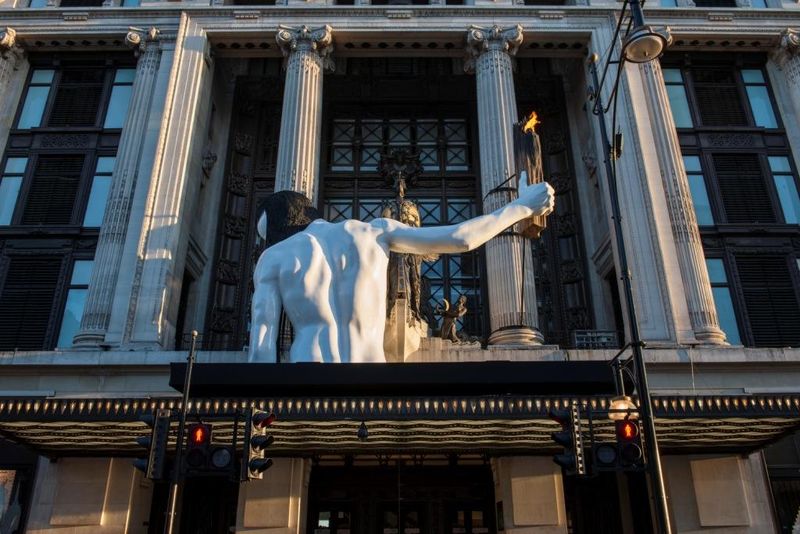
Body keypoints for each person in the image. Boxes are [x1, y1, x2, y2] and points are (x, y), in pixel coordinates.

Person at [249, 176, 555, 363]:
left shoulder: (273, 258)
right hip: (369, 378)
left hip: (305, 379)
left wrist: (256, 429)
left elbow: (261, 347)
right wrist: (523, 206)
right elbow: (461, 238)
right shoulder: (372, 232)